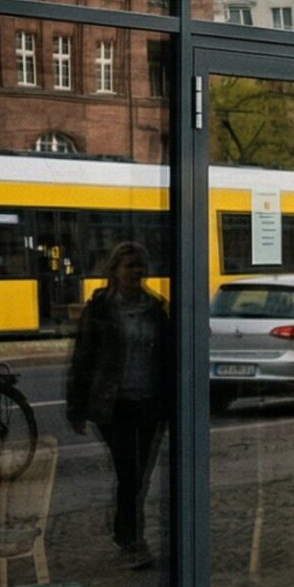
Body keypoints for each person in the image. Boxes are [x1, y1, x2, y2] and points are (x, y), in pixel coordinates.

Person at [66, 242, 174, 568]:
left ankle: (125, 530)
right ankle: (130, 540)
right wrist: (77, 407)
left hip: (150, 403)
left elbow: (171, 355)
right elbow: (82, 360)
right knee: (129, 472)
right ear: (114, 270)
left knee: (140, 475)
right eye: (130, 266)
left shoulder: (156, 308)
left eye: (141, 266)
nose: (137, 272)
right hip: (113, 405)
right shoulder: (100, 310)